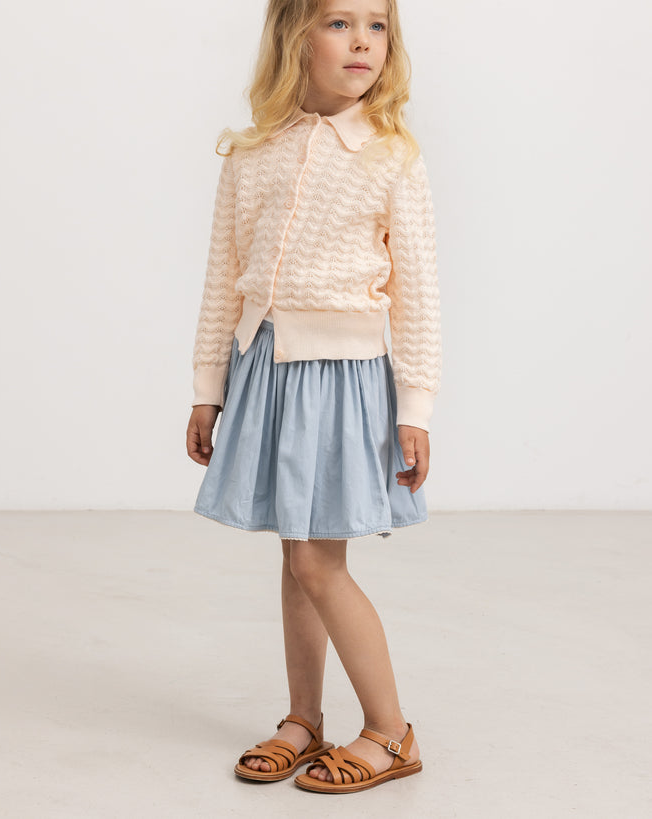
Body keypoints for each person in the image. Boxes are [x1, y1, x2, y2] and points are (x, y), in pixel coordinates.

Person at [186, 0, 442, 794]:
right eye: (338, 23)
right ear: (293, 36)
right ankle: (303, 719)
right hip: (265, 367)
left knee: (317, 560)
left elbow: (418, 294)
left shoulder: (390, 156)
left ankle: (390, 730)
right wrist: (208, 388)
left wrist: (414, 406)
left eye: (376, 25)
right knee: (294, 556)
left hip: (343, 376)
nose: (362, 41)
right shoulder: (252, 153)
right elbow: (223, 277)